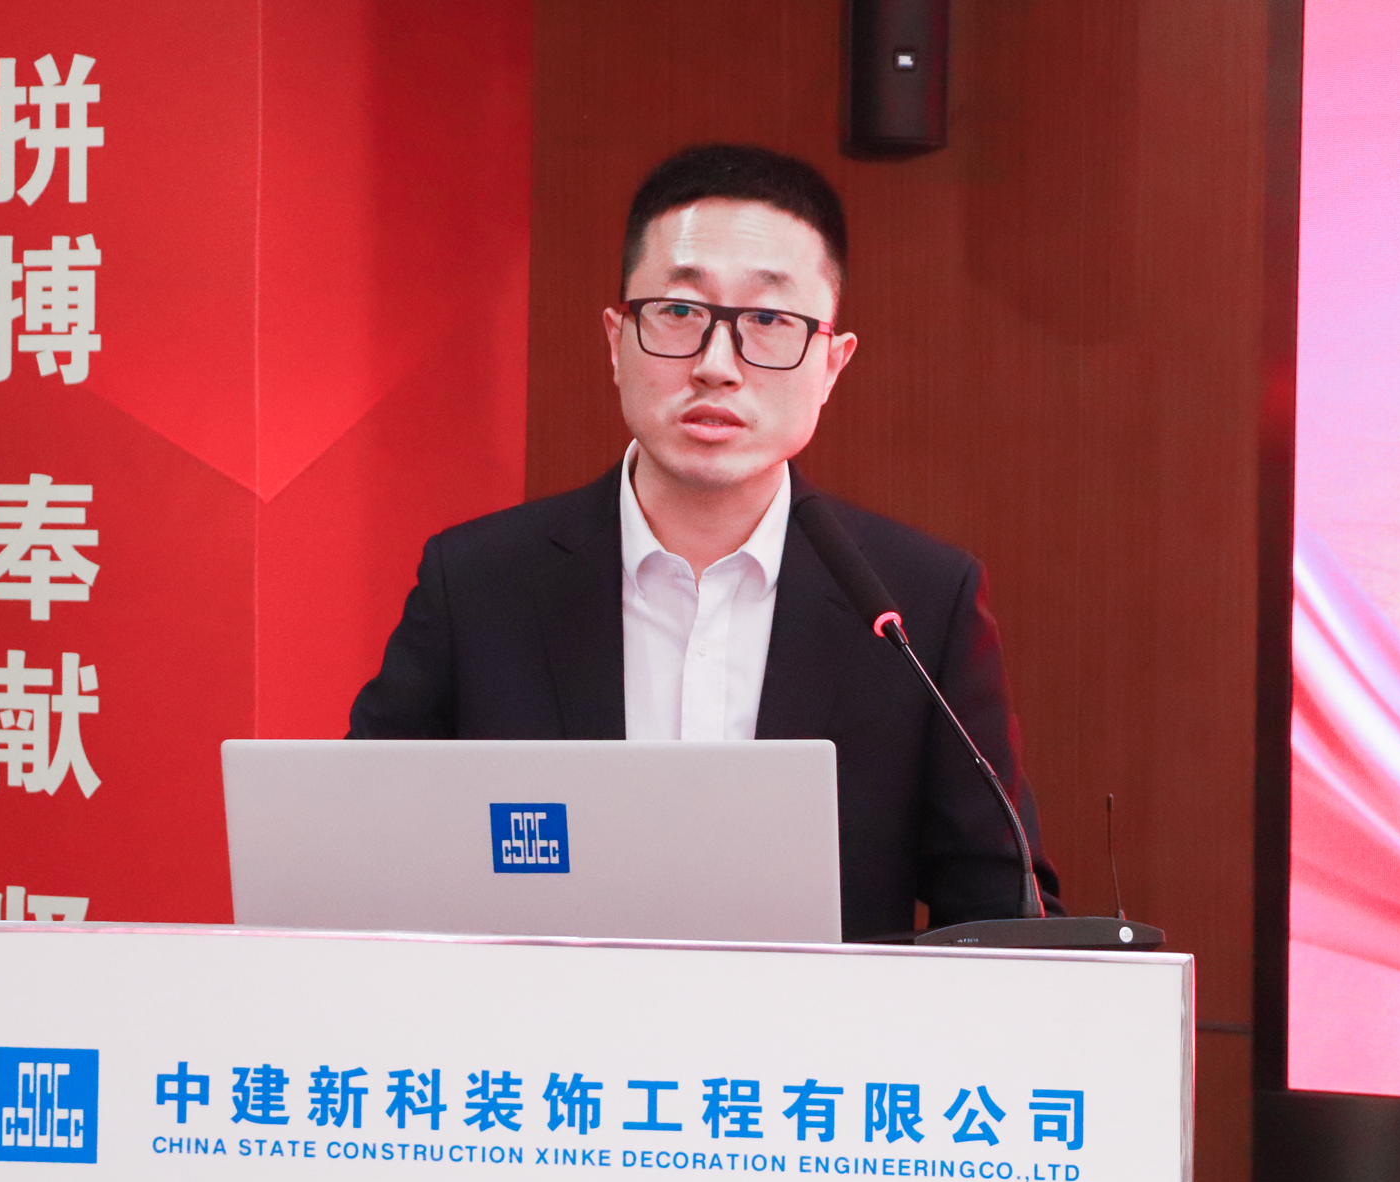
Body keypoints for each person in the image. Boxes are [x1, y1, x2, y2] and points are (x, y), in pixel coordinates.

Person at [349, 143, 1058, 939]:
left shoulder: (917, 606)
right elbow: (355, 859)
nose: (717, 366)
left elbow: (1008, 922)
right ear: (616, 339)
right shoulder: (478, 585)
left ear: (832, 364)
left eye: (769, 321)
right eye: (680, 313)